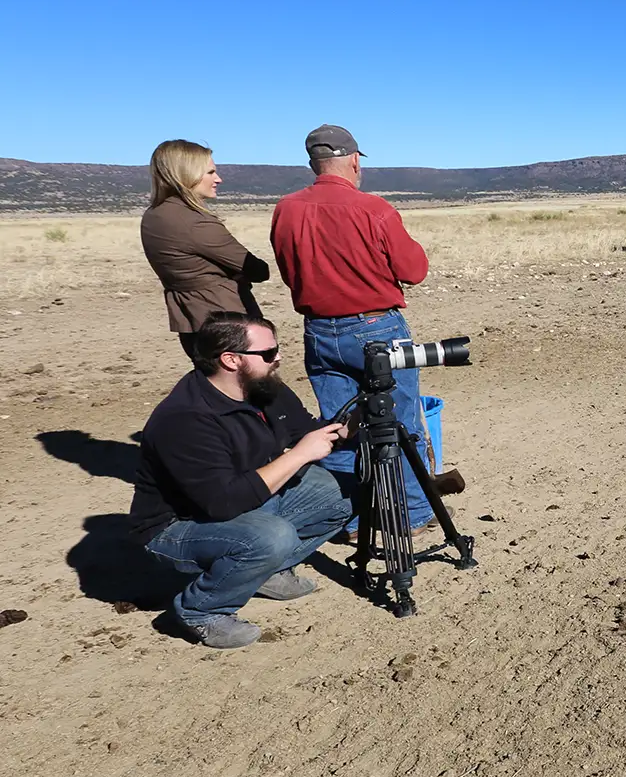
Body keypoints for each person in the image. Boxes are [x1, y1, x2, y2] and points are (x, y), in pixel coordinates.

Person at [130, 312, 352, 649]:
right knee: (271, 536)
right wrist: (297, 455)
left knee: (342, 494)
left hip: (244, 499)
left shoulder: (262, 388)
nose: (277, 358)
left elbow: (303, 431)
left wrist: (348, 430)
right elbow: (223, 502)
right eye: (267, 353)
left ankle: (264, 572)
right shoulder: (185, 419)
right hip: (177, 526)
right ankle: (201, 610)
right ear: (231, 360)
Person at [270, 125, 435, 529]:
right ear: (355, 160)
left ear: (313, 163)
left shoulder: (286, 209)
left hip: (319, 332)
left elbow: (290, 271)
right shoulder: (373, 208)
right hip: (377, 327)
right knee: (401, 422)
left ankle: (351, 518)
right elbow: (414, 270)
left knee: (338, 429)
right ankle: (412, 513)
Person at [140, 139, 270, 361]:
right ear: (187, 174)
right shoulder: (195, 222)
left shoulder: (153, 216)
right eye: (210, 172)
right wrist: (233, 275)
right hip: (228, 324)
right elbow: (258, 270)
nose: (218, 179)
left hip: (190, 321)